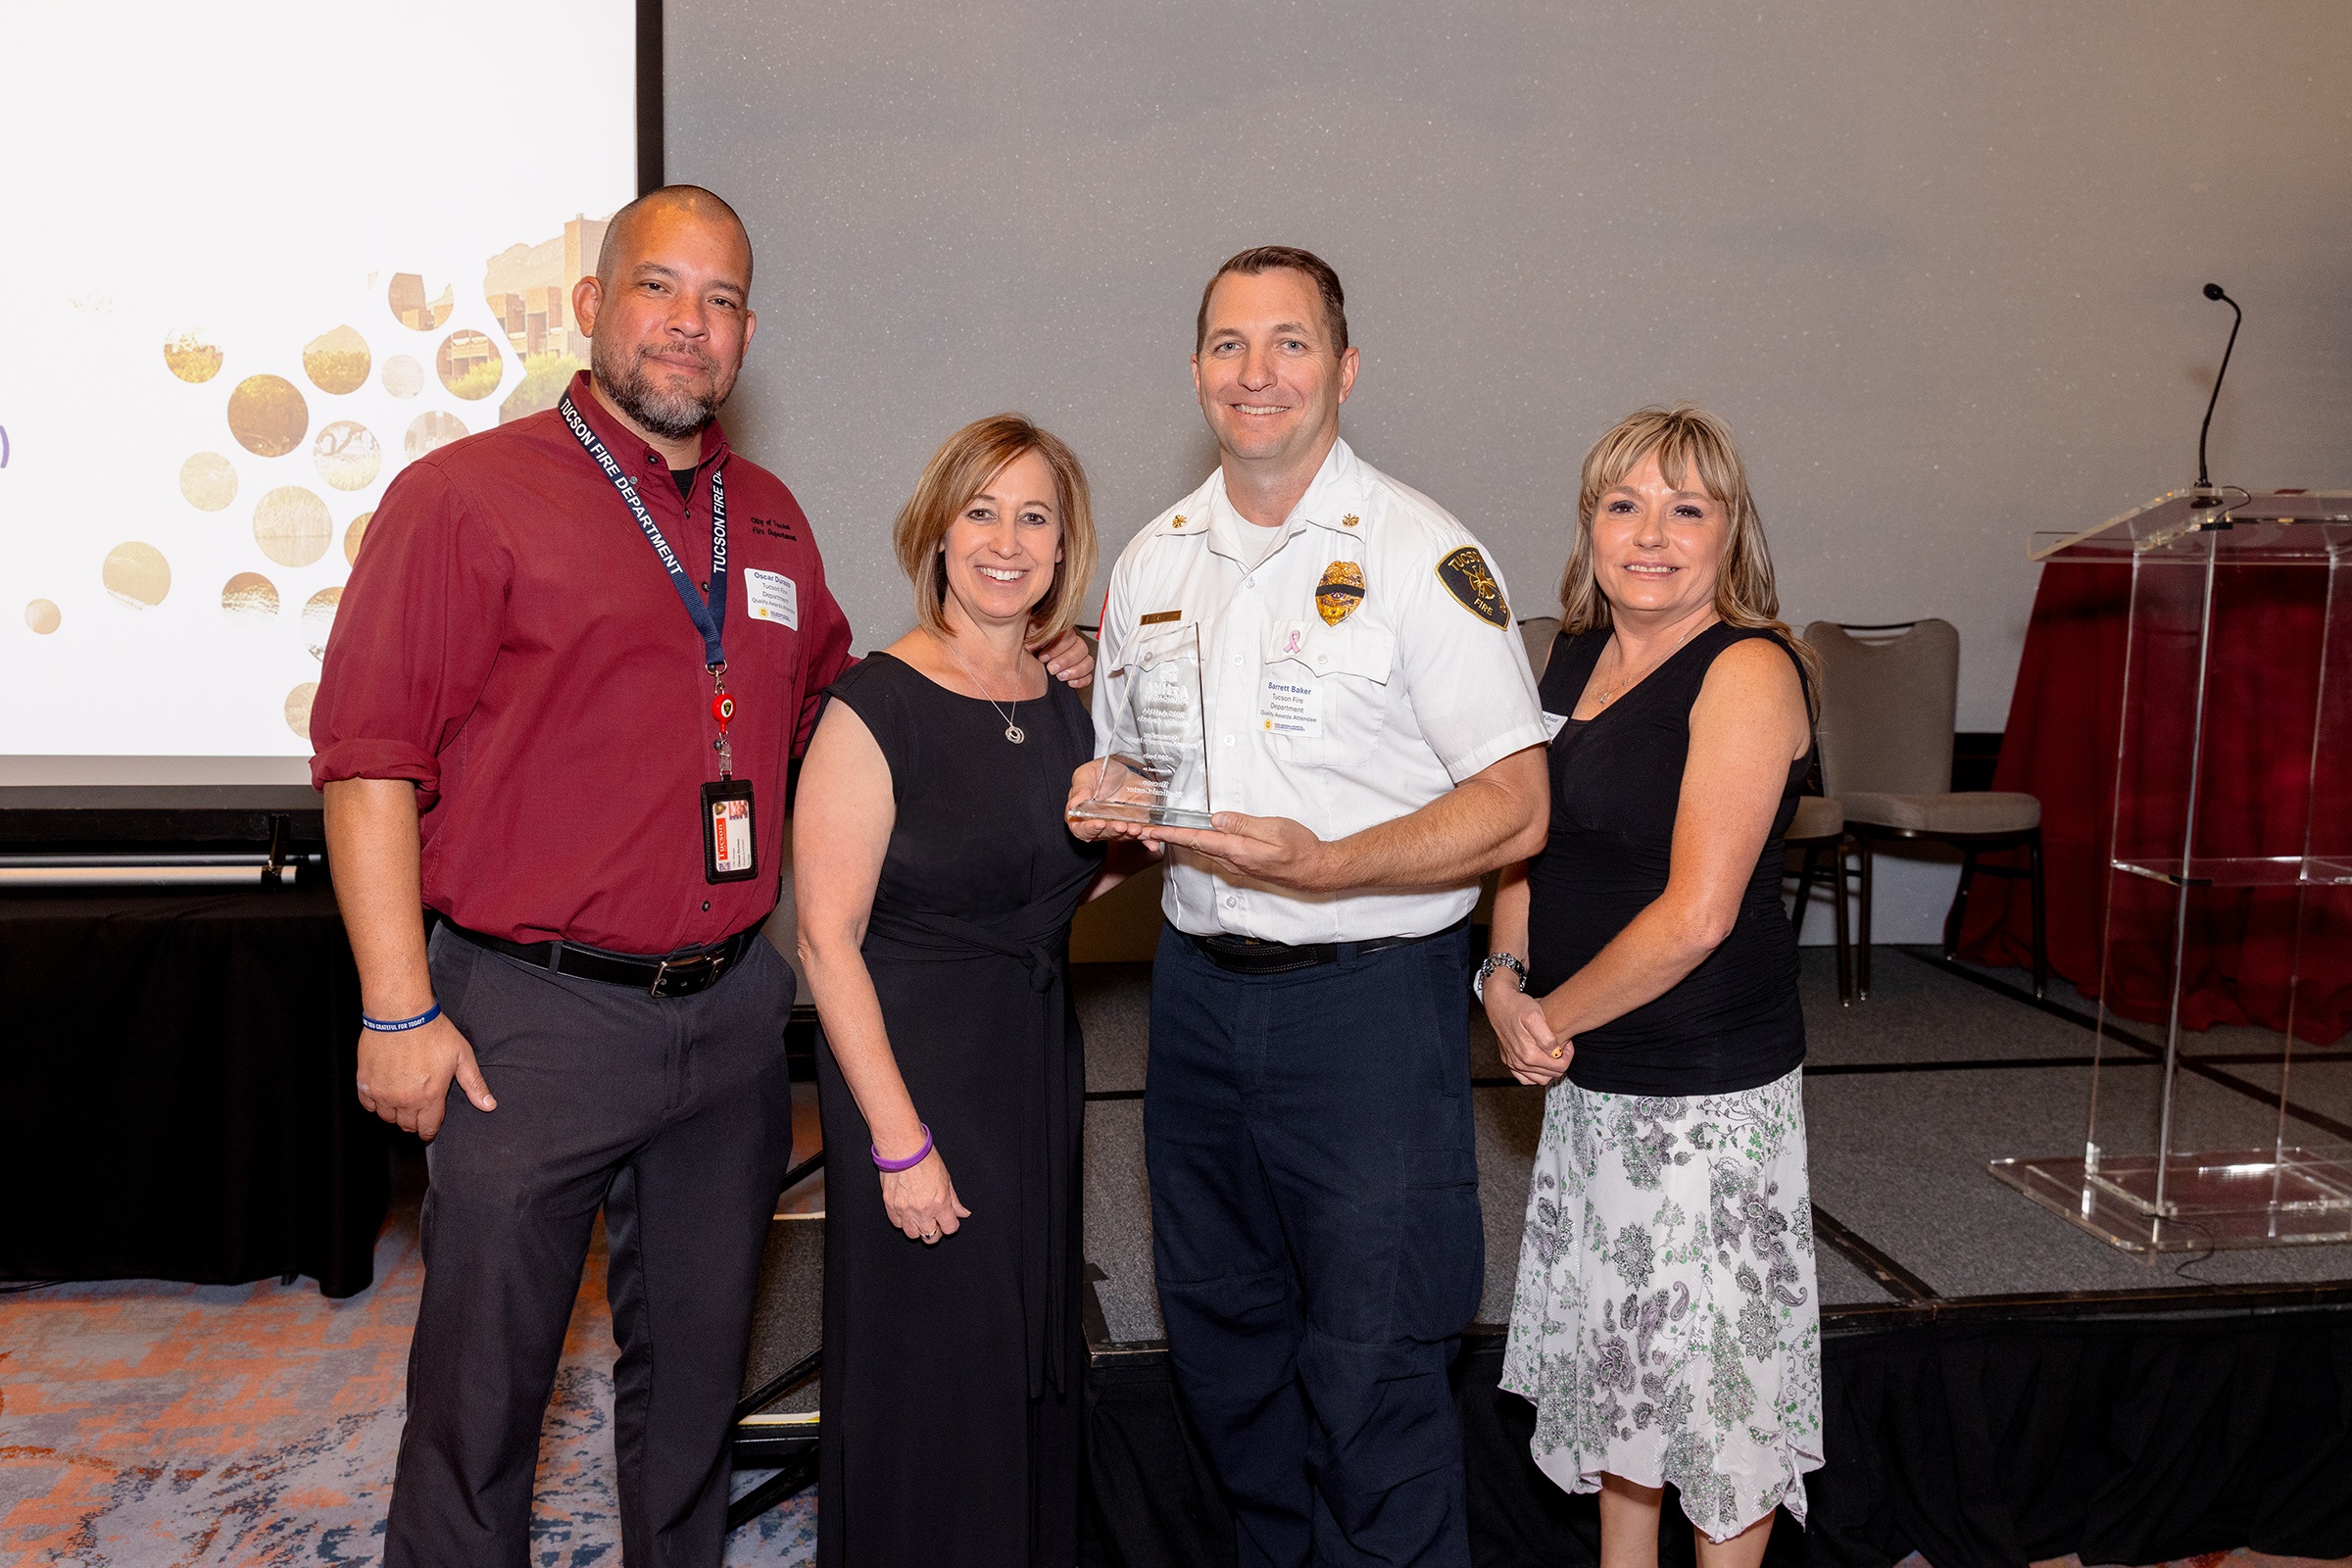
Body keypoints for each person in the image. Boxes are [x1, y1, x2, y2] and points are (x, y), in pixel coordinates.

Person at [312, 187, 1092, 1566]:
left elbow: (851, 717)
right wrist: (393, 1005)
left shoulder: (773, 522)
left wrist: (1030, 665)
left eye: (722, 300)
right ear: (591, 306)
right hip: (530, 1021)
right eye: (661, 289)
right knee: (483, 1395)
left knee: (690, 1399)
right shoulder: (461, 498)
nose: (690, 325)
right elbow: (369, 759)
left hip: (732, 1018)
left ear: (746, 334)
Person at [1068, 246, 1551, 1568]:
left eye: (1290, 342)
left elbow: (1517, 805)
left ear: (1345, 367)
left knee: (1374, 1367)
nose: (1258, 372)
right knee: (1225, 1361)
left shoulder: (1422, 551)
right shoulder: (1157, 562)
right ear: (1195, 372)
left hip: (1368, 1014)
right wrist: (1101, 805)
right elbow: (1136, 780)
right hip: (1198, 1011)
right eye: (1229, 344)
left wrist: (1327, 864)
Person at [795, 415, 1138, 1567]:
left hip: (1033, 1061)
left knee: (1024, 1354)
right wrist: (898, 1142)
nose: (1007, 538)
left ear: (1063, 545)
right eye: (981, 511)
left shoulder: (1063, 700)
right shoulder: (872, 703)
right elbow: (827, 942)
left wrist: (1128, 845)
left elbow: (1040, 895)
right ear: (937, 534)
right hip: (916, 1076)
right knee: (936, 1366)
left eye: (1034, 515)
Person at [1483, 404, 1824, 1565]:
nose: (1652, 533)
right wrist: (1502, 975)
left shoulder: (1749, 668)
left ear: (1731, 532)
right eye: (1624, 504)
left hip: (1701, 1103)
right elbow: (1525, 842)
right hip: (1590, 1087)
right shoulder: (1571, 653)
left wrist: (1542, 1021)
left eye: (1688, 507)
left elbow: (1696, 916)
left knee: (1720, 1420)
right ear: (1588, 526)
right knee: (1621, 1395)